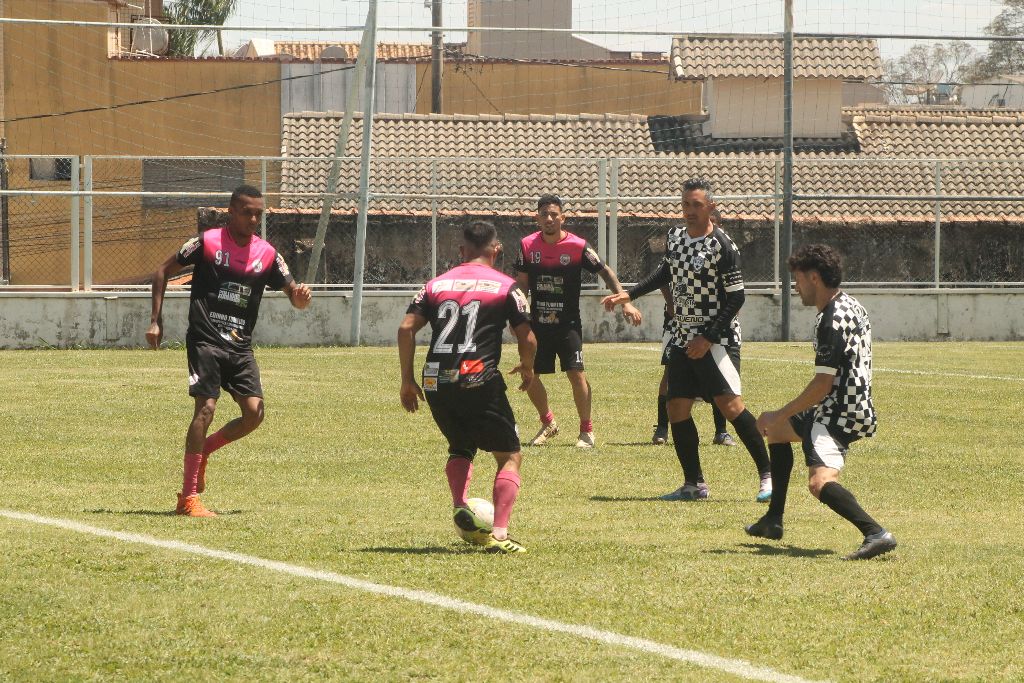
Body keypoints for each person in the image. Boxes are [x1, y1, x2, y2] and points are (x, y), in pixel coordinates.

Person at [147, 185, 312, 517]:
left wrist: (299, 297)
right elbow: (162, 271)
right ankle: (188, 498)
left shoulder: (267, 254)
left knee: (254, 414)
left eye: (258, 214)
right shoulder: (207, 243)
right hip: (205, 340)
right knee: (205, 410)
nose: (253, 219)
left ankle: (205, 450)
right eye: (247, 213)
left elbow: (292, 292)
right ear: (232, 211)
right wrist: (156, 320)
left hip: (240, 346)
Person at [603, 177, 771, 501]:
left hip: (718, 340)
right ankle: (694, 484)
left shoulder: (722, 246)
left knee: (730, 406)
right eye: (685, 204)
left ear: (711, 207)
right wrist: (629, 294)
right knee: (677, 406)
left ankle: (768, 475)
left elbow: (737, 298)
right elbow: (665, 272)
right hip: (683, 337)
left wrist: (707, 337)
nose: (690, 211)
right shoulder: (676, 237)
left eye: (696, 205)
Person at [745, 244, 897, 560]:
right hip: (851, 404)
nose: (795, 287)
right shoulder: (850, 304)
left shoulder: (830, 319)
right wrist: (780, 421)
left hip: (839, 412)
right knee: (779, 432)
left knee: (819, 482)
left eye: (798, 279)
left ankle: (875, 532)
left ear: (814, 277)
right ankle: (773, 520)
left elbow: (821, 386)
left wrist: (778, 413)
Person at [398, 220, 537, 554]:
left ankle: (461, 507)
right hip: (478, 378)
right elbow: (528, 336)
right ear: (496, 250)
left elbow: (405, 328)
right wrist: (528, 366)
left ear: (462, 250)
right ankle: (499, 536)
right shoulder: (507, 287)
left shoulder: (434, 285)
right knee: (509, 456)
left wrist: (407, 380)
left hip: (435, 380)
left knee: (460, 446)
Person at [515, 194, 641, 449]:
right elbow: (521, 285)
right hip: (538, 324)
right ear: (537, 218)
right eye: (544, 214)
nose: (549, 219)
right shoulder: (527, 246)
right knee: (529, 373)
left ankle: (586, 431)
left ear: (563, 218)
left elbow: (605, 271)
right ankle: (548, 423)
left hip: (568, 324)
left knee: (576, 374)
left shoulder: (578, 246)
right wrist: (518, 317)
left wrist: (624, 301)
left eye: (554, 214)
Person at [652, 290, 737, 448]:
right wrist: (670, 302)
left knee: (717, 374)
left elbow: (734, 291)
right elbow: (661, 278)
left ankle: (721, 431)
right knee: (670, 373)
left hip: (708, 321)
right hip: (678, 323)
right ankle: (662, 428)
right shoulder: (675, 270)